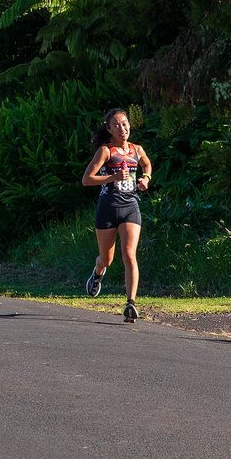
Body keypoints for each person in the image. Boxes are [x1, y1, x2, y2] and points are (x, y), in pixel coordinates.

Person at [80, 108, 154, 321]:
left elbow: (146, 164)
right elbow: (87, 179)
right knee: (107, 259)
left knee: (129, 254)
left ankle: (130, 304)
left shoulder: (136, 149)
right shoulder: (106, 151)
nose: (122, 129)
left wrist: (146, 178)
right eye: (117, 125)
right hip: (108, 208)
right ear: (109, 129)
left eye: (125, 124)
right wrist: (111, 178)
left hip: (131, 206)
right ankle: (97, 273)